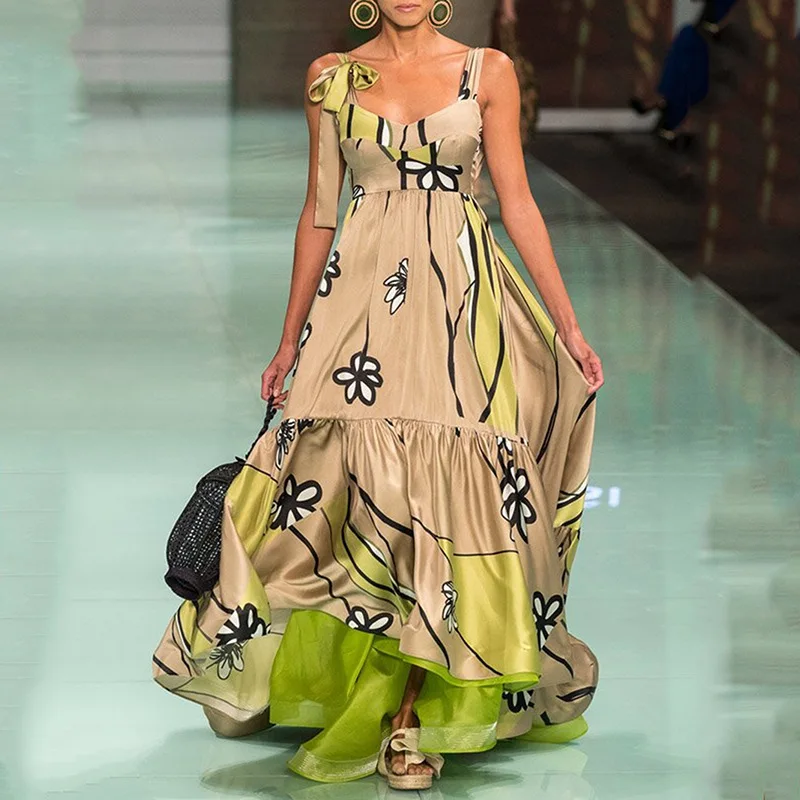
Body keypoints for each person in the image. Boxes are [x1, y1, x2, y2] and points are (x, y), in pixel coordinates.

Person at [152, 0, 604, 791]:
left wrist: (567, 324)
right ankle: (345, 677)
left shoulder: (485, 72)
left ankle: (409, 718)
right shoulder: (331, 78)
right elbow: (319, 214)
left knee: (446, 499)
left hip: (457, 305)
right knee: (342, 493)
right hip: (357, 307)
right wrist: (290, 340)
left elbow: (518, 201)